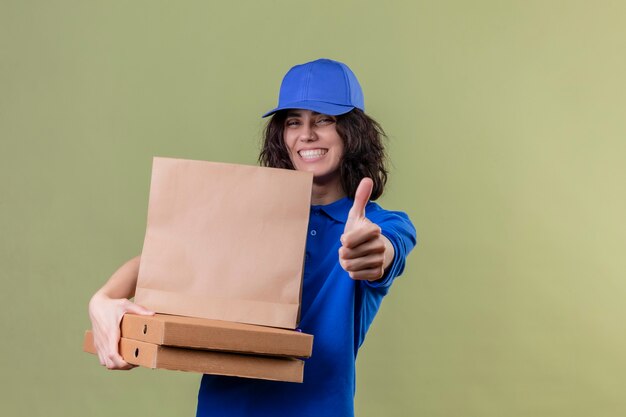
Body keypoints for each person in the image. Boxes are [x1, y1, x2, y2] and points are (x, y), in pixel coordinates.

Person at [88, 58, 417, 417]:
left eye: (324, 120)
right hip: (225, 408)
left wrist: (369, 251)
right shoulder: (252, 215)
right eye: (294, 122)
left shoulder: (381, 224)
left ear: (353, 132)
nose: (307, 134)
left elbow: (385, 252)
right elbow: (167, 257)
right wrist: (103, 299)